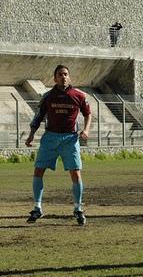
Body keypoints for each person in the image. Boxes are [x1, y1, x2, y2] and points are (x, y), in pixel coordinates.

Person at [25, 65, 91, 226]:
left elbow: (88, 113)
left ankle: (78, 208)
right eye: (60, 74)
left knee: (76, 173)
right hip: (50, 138)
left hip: (70, 139)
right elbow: (39, 116)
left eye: (66, 74)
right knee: (38, 170)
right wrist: (31, 135)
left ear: (70, 77)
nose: (63, 77)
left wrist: (86, 129)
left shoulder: (79, 96)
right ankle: (37, 207)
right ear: (54, 78)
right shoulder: (48, 96)